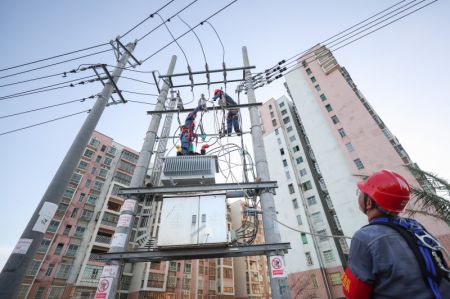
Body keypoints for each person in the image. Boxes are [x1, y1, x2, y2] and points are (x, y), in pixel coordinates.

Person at [342, 169, 450, 299]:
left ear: (369, 202)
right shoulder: (415, 227)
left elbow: (355, 295)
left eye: (362, 192)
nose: (359, 194)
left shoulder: (364, 237)